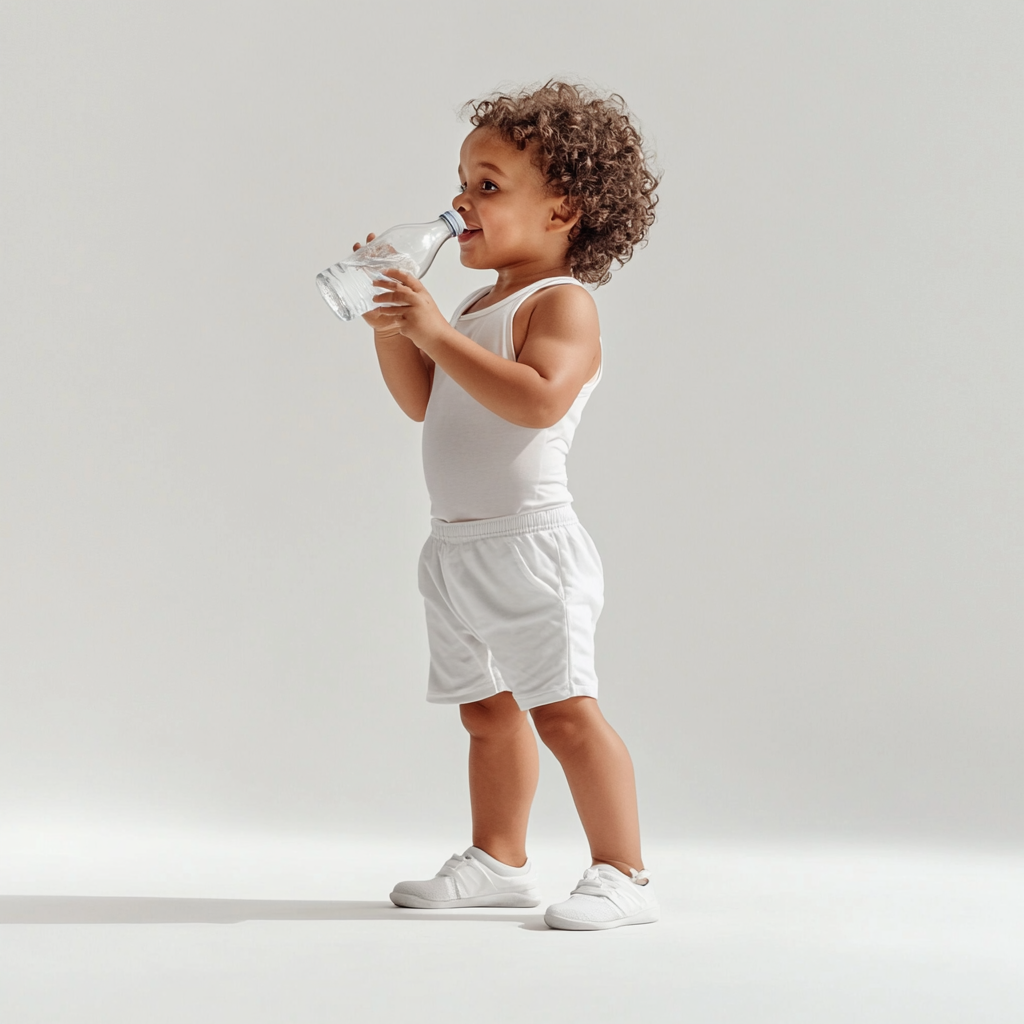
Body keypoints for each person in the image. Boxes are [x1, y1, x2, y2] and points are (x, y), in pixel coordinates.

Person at [356, 81, 660, 931]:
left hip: (530, 548)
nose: (460, 200)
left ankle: (624, 875)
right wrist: (395, 327)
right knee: (485, 714)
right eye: (461, 181)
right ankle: (499, 859)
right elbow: (424, 401)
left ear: (563, 211)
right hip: (454, 550)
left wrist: (434, 333)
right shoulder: (471, 306)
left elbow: (537, 402)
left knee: (563, 712)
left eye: (488, 185)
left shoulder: (558, 304)